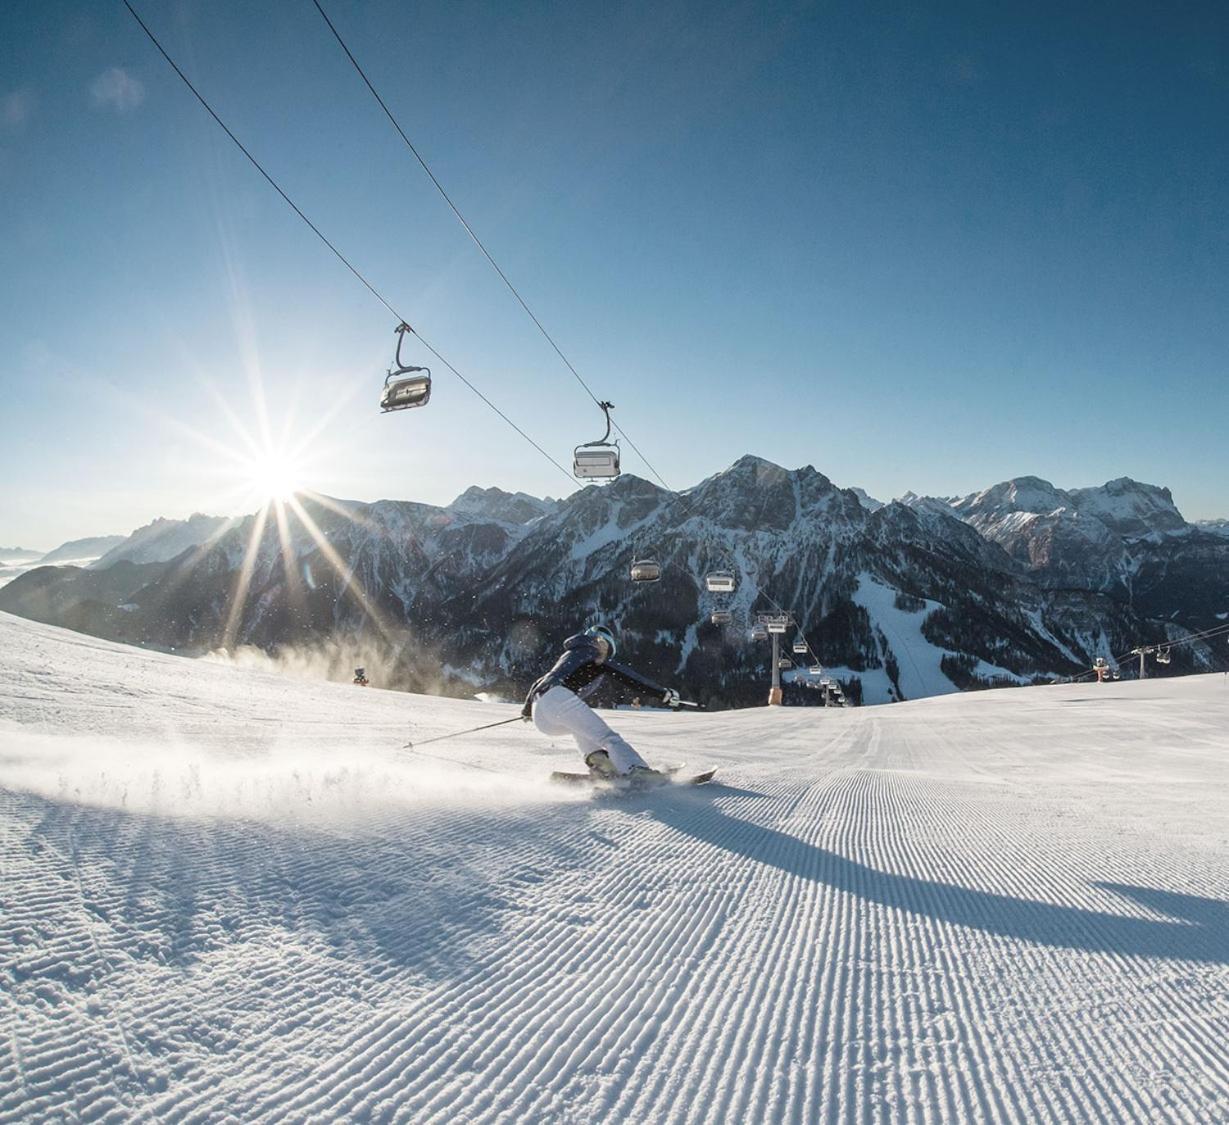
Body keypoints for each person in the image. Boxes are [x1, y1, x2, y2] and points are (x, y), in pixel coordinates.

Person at [522, 624, 681, 780]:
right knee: (608, 737)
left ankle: (602, 764)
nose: (604, 649)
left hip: (541, 713)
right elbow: (628, 677)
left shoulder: (572, 653)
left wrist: (528, 711)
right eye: (603, 644)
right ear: (594, 640)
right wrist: (663, 694)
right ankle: (637, 770)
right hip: (557, 698)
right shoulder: (594, 652)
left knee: (580, 727)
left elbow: (539, 682)